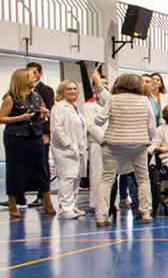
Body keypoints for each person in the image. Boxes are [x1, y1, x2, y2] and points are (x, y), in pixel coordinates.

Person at [92, 72, 156, 225]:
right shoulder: (145, 100)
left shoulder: (113, 99)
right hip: (138, 145)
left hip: (113, 144)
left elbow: (99, 121)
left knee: (107, 179)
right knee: (143, 179)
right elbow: (152, 126)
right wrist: (149, 138)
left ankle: (101, 216)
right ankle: (146, 213)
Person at [2, 68, 52, 218]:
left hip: (34, 135)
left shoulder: (36, 96)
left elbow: (40, 117)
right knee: (15, 169)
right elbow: (1, 118)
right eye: (31, 77)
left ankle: (47, 200)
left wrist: (43, 114)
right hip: (16, 136)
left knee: (40, 167)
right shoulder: (11, 98)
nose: (34, 79)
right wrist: (20, 118)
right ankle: (13, 202)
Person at [49, 80, 87, 219]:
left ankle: (72, 206)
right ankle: (65, 208)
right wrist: (69, 144)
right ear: (62, 91)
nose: (72, 91)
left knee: (75, 179)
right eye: (69, 89)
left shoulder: (75, 108)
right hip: (64, 150)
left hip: (77, 149)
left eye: (74, 89)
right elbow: (56, 129)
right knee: (67, 178)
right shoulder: (58, 107)